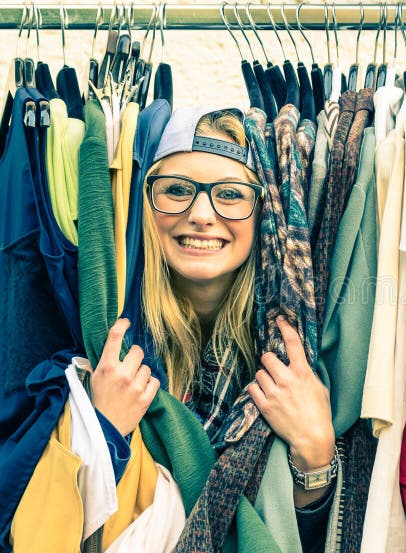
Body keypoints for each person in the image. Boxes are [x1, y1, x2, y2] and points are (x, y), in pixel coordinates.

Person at [15, 108, 337, 552]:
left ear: (261, 212)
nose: (202, 214)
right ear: (146, 206)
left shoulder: (287, 353)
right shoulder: (110, 347)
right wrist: (103, 429)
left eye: (229, 194)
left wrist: (317, 455)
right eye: (177, 190)